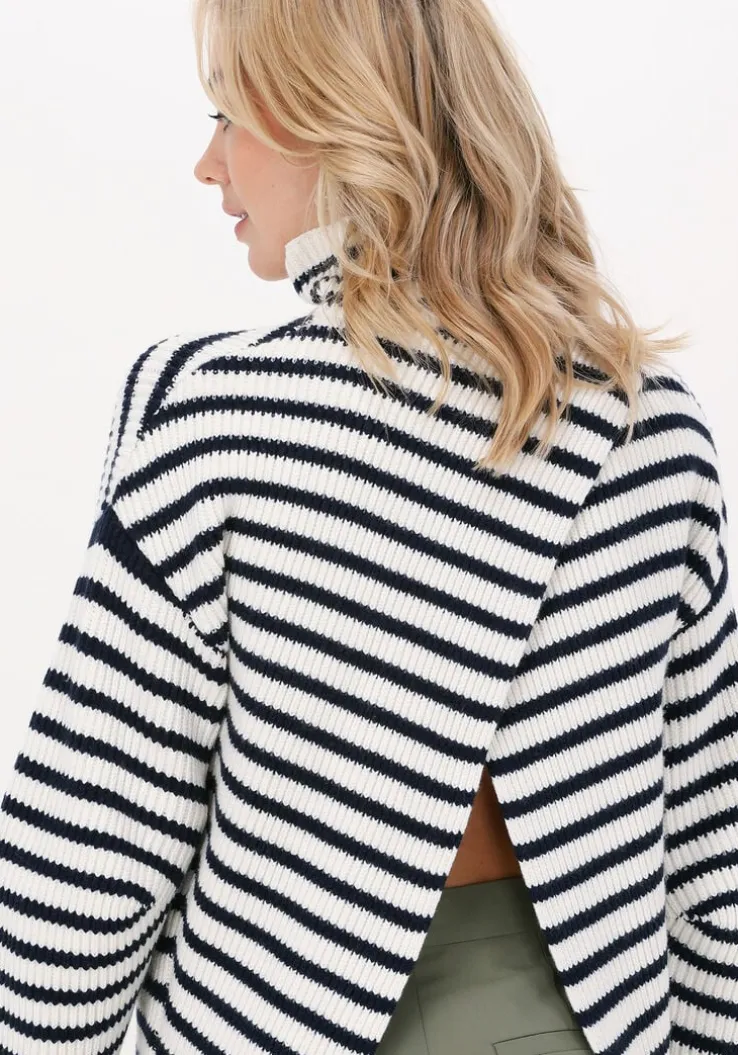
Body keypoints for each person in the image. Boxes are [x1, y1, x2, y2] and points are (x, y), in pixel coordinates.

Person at [1, 2, 736, 1054]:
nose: (208, 165)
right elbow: (714, 846)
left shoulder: (217, 416)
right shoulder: (652, 425)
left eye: (226, 117)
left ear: (328, 120)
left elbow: (82, 857)